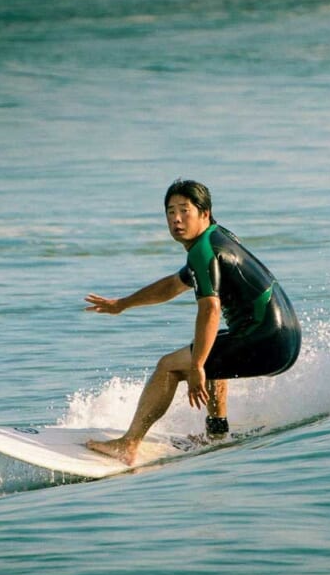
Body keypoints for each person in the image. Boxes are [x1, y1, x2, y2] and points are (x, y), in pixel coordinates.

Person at [85, 179, 301, 465]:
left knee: (169, 367)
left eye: (184, 210)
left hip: (266, 341)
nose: (176, 218)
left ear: (205, 213)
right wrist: (122, 304)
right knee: (209, 345)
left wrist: (197, 365)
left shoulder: (203, 251)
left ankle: (129, 443)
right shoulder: (217, 238)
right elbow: (173, 285)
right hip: (284, 339)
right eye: (170, 212)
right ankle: (217, 434)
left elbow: (210, 310)